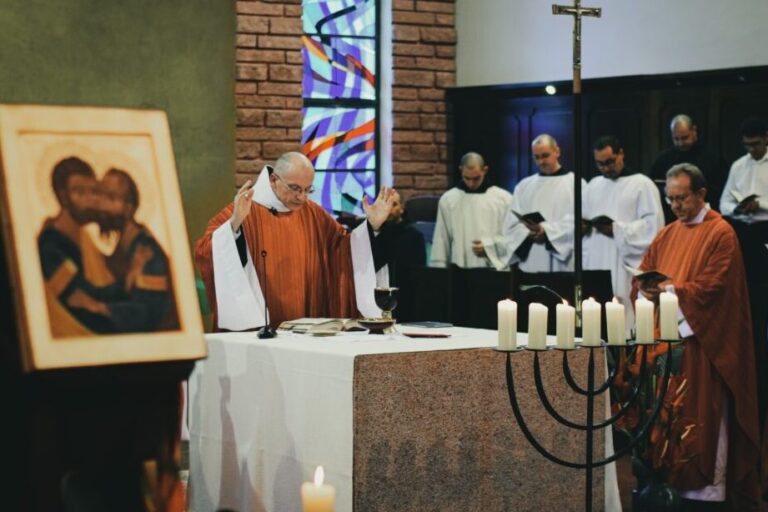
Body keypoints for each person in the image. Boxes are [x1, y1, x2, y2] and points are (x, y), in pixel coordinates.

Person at [634, 163, 760, 510]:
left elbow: (715, 289)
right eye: (670, 199)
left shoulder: (721, 233)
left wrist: (669, 290)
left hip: (703, 345)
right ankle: (668, 482)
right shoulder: (667, 233)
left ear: (701, 194)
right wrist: (644, 288)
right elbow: (643, 271)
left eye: (682, 198)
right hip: (665, 343)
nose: (675, 205)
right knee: (665, 416)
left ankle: (705, 494)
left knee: (702, 415)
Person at [194, 152, 394, 330]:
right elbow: (205, 251)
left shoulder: (313, 213)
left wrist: (372, 225)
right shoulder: (245, 209)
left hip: (306, 327)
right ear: (274, 179)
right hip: (259, 331)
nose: (301, 197)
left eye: (308, 190)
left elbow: (342, 249)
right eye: (295, 188)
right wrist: (235, 224)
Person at [583, 136, 664, 332]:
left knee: (623, 316)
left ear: (621, 154)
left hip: (624, 262)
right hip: (595, 260)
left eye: (610, 162)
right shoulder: (593, 185)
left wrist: (617, 229)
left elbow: (654, 226)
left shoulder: (642, 184)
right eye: (600, 164)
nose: (605, 168)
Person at [38, 156, 126, 336]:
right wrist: (127, 283)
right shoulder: (50, 245)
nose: (90, 200)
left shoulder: (83, 237)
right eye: (80, 192)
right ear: (63, 197)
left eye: (93, 192)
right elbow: (80, 298)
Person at [97, 168, 179, 331]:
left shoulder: (147, 252)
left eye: (111, 198)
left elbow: (149, 312)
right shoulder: (123, 245)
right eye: (101, 196)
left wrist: (103, 309)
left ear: (129, 207)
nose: (103, 206)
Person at [501, 134, 583, 272]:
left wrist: (547, 231)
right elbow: (511, 225)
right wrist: (528, 233)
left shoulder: (576, 184)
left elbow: (580, 223)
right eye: (536, 157)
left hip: (563, 264)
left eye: (545, 156)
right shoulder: (524, 186)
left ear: (557, 151)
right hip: (531, 260)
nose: (541, 162)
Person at [430, 152, 513, 269]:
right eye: (467, 178)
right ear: (461, 170)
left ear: (485, 170)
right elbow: (441, 239)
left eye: (476, 178)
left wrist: (489, 247)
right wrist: (438, 270)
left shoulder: (503, 199)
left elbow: (513, 238)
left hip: (493, 269)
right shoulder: (448, 199)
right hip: (459, 270)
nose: (471, 183)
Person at [651, 114, 726, 217]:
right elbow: (654, 187)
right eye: (676, 139)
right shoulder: (663, 160)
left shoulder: (713, 159)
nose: (681, 143)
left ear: (694, 131)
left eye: (684, 138)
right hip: (671, 215)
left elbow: (720, 192)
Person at [379, 190, 426, 321]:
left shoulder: (414, 236)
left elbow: (419, 275)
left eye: (393, 204)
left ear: (402, 208)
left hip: (407, 297)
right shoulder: (375, 235)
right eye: (386, 204)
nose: (389, 209)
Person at [719, 117, 768, 221]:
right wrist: (736, 208)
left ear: (766, 138)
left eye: (756, 144)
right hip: (742, 224)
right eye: (747, 145)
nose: (752, 149)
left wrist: (761, 205)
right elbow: (724, 203)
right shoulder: (738, 166)